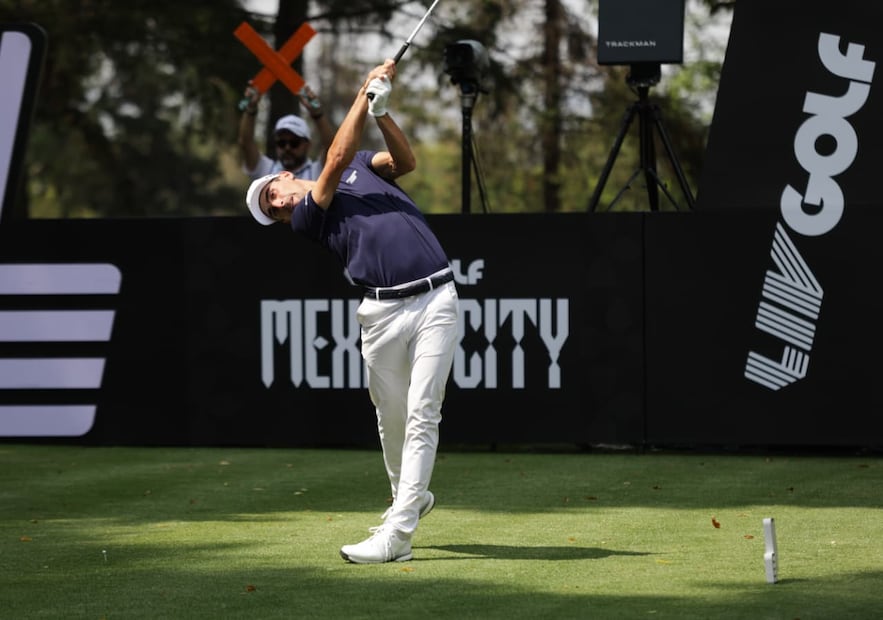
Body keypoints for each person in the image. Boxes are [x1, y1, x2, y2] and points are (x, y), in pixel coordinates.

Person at [244, 59, 459, 564]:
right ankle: (408, 498)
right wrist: (364, 92)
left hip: (436, 298)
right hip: (380, 315)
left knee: (423, 412)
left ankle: (398, 535)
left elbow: (404, 162)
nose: (278, 205)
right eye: (272, 211)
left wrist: (382, 112)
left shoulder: (362, 163)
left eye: (272, 194)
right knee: (391, 419)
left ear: (284, 176)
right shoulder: (308, 218)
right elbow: (336, 156)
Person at [238, 84, 335, 181]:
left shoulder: (317, 172)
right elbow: (246, 143)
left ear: (307, 145)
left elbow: (332, 147)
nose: (287, 148)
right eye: (281, 143)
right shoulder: (266, 171)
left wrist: (317, 114)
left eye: (294, 143)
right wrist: (250, 109)